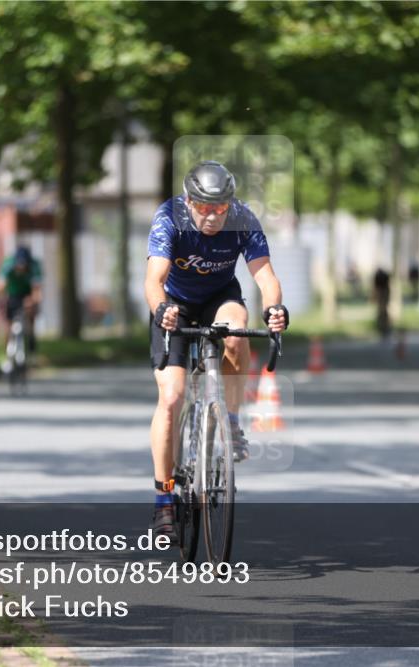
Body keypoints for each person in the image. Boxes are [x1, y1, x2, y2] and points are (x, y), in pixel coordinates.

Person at [145, 161, 289, 541]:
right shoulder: (169, 217)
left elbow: (265, 276)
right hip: (174, 304)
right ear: (189, 201)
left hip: (219, 298)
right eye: (204, 208)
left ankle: (231, 420)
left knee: (237, 333)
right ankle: (163, 498)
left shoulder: (243, 218)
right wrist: (162, 309)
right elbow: (154, 279)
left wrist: (274, 309)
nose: (212, 217)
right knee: (172, 396)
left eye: (220, 208)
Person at [0, 246, 42, 368]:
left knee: (31, 320)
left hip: (27, 294)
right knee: (8, 326)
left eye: (23, 266)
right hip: (12, 294)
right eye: (19, 265)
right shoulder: (8, 265)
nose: (21, 268)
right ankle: (8, 356)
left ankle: (31, 350)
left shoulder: (34, 267)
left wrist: (33, 301)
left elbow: (37, 290)